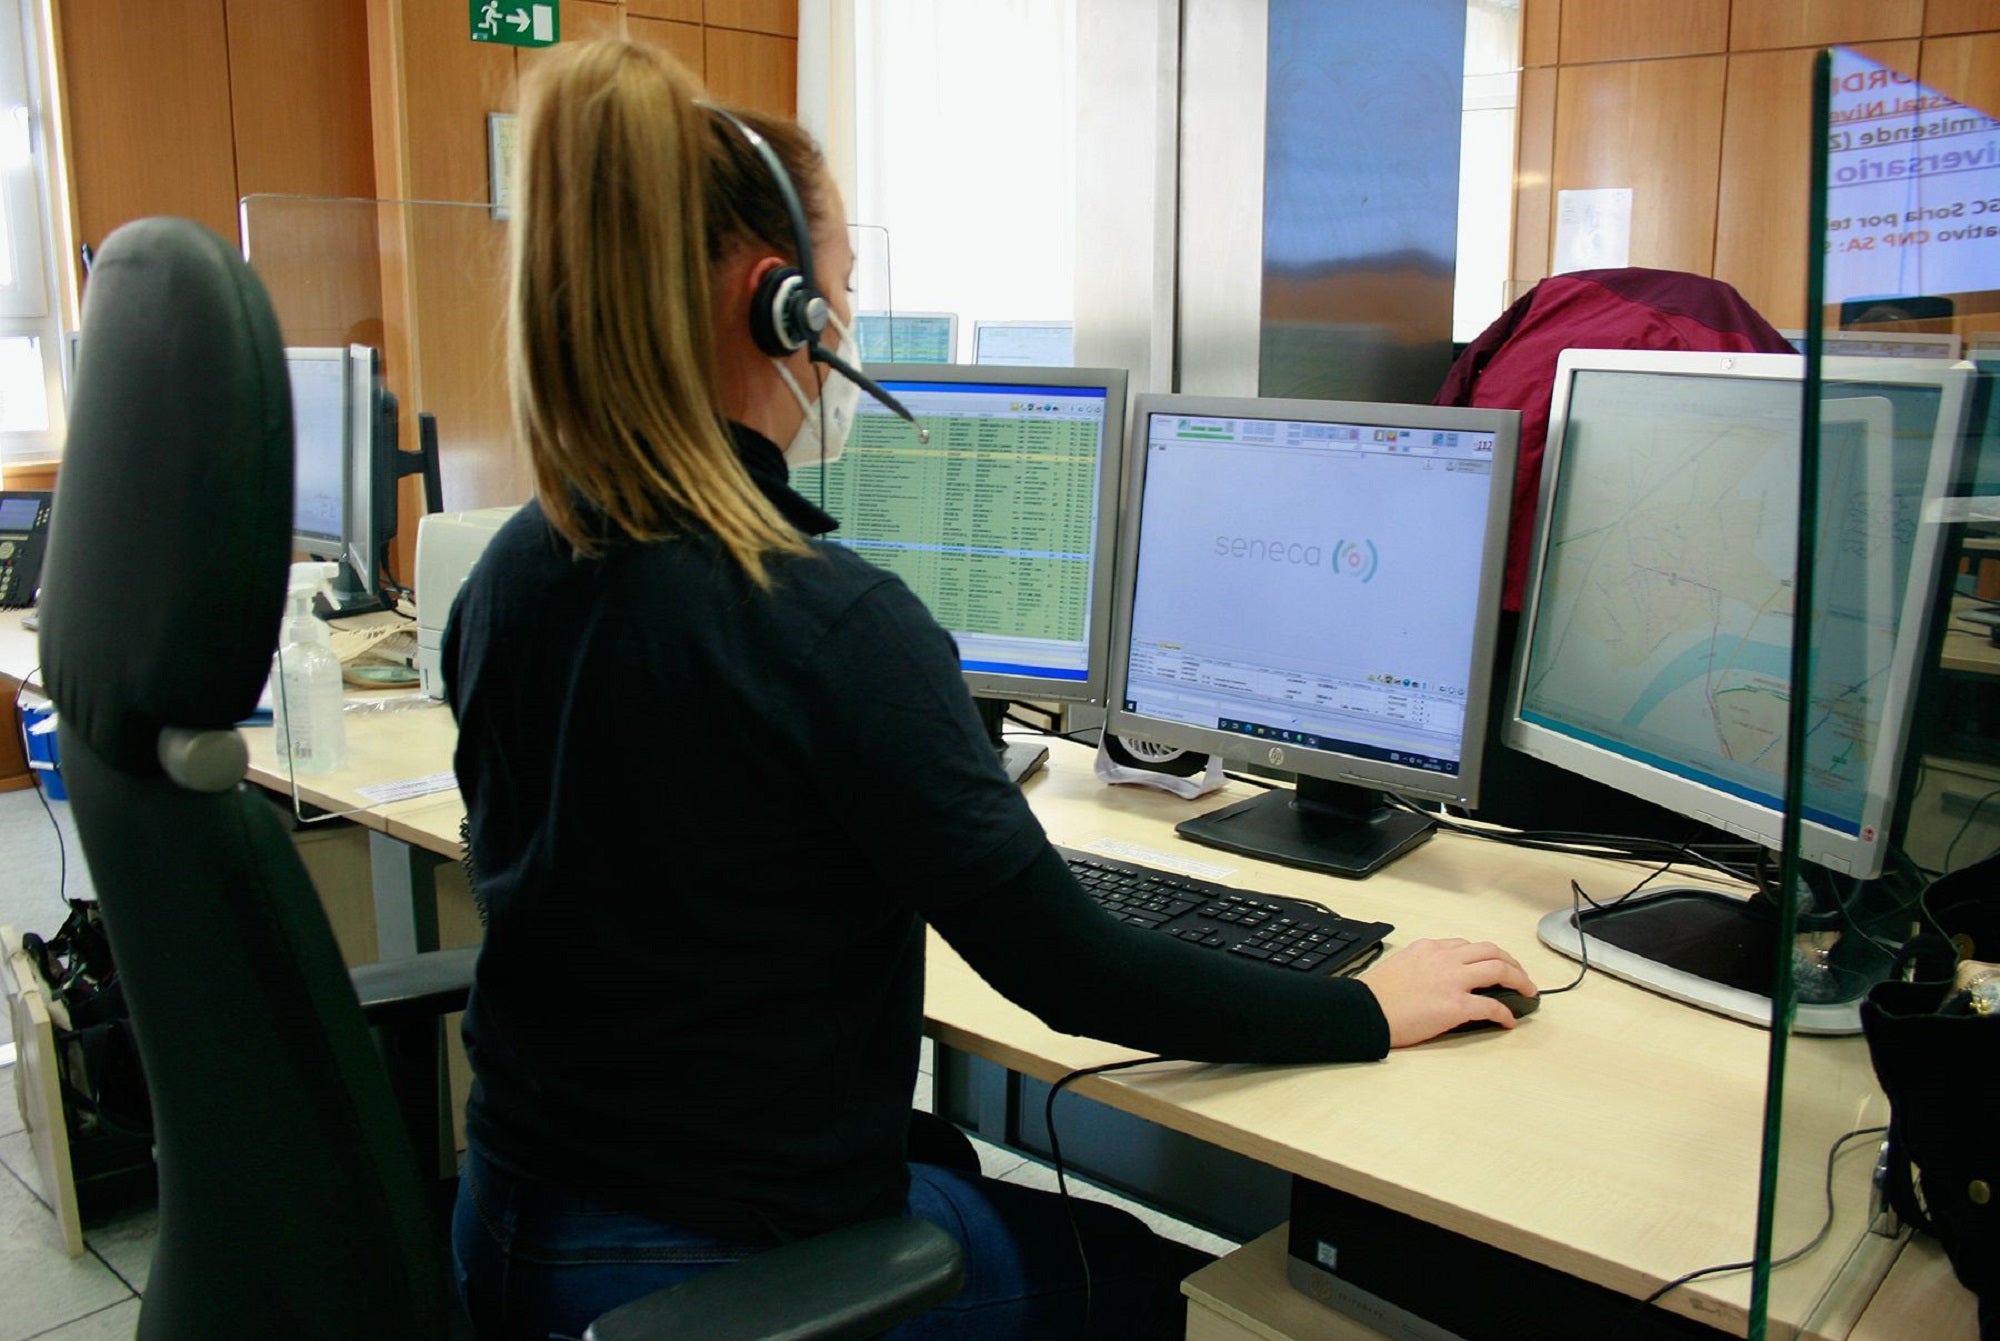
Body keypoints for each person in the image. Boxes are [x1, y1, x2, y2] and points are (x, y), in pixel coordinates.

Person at [442, 37, 1537, 1341]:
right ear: (772, 300)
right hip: (716, 1271)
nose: (842, 324)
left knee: (957, 1174)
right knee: (1139, 1275)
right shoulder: (826, 624)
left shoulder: (512, 566)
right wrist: (1365, 1005)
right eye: (837, 286)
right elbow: (1073, 974)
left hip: (507, 1227)